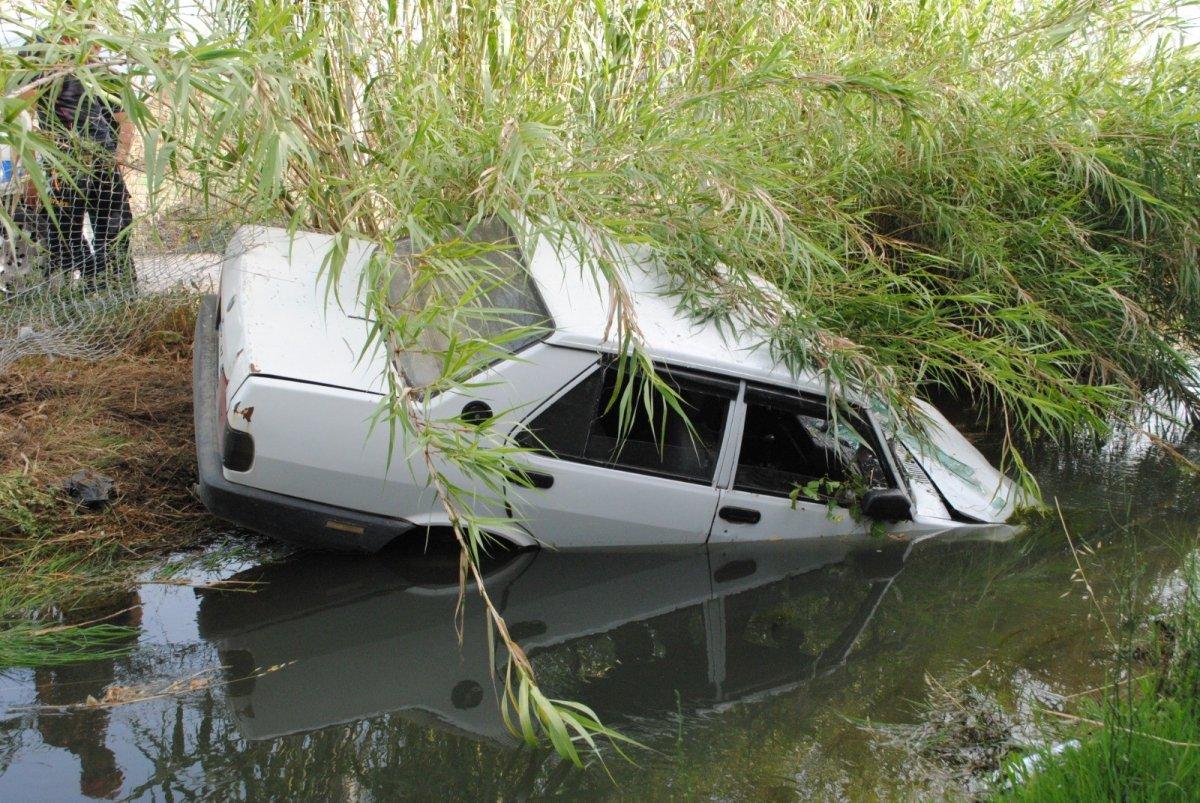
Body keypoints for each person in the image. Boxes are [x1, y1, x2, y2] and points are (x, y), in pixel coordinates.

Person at [18, 36, 135, 291]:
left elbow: (126, 120)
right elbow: (23, 109)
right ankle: (89, 282)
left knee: (115, 235)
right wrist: (30, 171)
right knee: (63, 236)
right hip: (64, 166)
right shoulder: (41, 52)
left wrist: (117, 159)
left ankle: (115, 289)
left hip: (102, 165)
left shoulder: (102, 70)